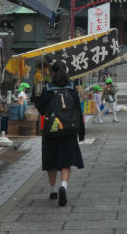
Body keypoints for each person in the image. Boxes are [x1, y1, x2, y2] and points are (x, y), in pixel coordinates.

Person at [36, 61, 84, 207]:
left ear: (52, 72)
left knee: (51, 161)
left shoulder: (48, 89)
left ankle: (53, 190)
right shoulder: (72, 89)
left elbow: (41, 110)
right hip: (68, 131)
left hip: (51, 131)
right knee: (66, 161)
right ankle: (64, 185)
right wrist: (81, 133)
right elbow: (78, 110)